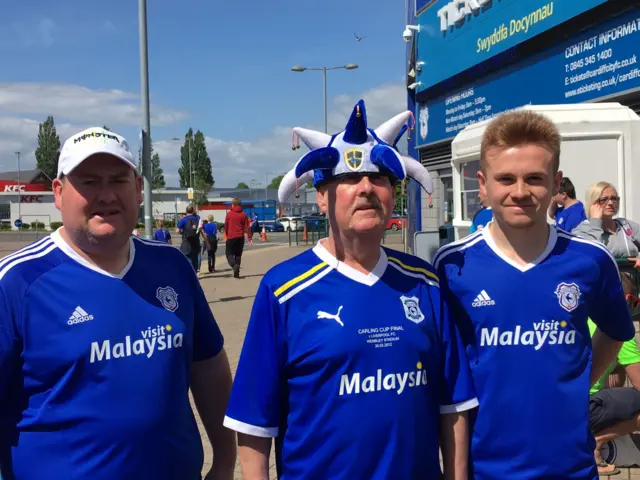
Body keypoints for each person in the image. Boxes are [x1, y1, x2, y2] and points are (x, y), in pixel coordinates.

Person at [223, 100, 478, 480]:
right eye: (349, 178)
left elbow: (453, 405)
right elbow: (254, 425)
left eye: (379, 178)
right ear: (322, 196)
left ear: (393, 193)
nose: (366, 188)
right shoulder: (282, 290)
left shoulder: (425, 283)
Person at [0, 127, 236, 480]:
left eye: (118, 180)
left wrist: (224, 460)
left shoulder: (171, 265)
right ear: (59, 193)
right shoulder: (18, 281)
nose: (107, 195)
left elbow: (208, 365)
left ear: (139, 189)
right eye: (90, 182)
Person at [433, 110, 634, 479]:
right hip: (484, 469)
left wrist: (580, 379)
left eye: (535, 179)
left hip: (570, 468)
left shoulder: (590, 259)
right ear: (483, 184)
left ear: (556, 183)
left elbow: (617, 330)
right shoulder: (452, 265)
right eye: (506, 178)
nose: (520, 191)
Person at [588, 272, 640, 476]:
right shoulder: (619, 330)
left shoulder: (581, 316)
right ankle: (596, 444)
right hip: (583, 407)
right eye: (635, 303)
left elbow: (615, 383)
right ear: (626, 300)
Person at [572, 181, 640, 268]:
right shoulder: (581, 231)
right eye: (604, 199)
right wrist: (596, 222)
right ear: (592, 203)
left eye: (614, 198)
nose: (611, 203)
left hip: (631, 281)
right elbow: (589, 255)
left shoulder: (626, 225)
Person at [223, 199, 250, 278]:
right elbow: (246, 226)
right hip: (240, 237)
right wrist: (248, 236)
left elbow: (226, 226)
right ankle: (237, 273)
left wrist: (227, 234)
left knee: (229, 253)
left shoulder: (229, 214)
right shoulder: (243, 214)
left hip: (231, 236)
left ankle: (234, 266)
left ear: (233, 205)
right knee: (238, 254)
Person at [177, 205, 202, 274]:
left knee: (187, 259)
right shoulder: (197, 218)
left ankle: (189, 274)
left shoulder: (183, 220)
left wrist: (182, 233)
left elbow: (177, 230)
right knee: (195, 259)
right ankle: (195, 273)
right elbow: (200, 228)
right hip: (196, 242)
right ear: (193, 210)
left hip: (186, 242)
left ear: (186, 211)